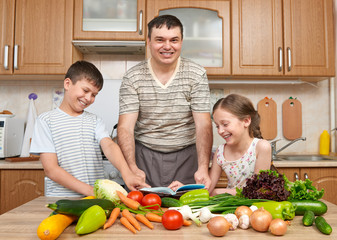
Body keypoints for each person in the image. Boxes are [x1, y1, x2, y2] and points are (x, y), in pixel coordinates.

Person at [117, 15, 213, 189]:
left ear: (181, 42)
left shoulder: (197, 74)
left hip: (187, 158)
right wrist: (132, 168)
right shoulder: (132, 77)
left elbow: (203, 125)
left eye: (174, 40)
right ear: (149, 41)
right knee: (144, 211)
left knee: (186, 213)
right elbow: (125, 127)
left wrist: (202, 168)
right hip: (143, 158)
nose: (167, 46)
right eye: (159, 40)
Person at [30, 60, 149, 197]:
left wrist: (127, 173)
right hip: (61, 199)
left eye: (94, 95)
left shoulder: (94, 120)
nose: (88, 98)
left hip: (94, 200)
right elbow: (51, 169)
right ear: (67, 84)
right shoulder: (45, 121)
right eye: (85, 90)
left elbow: (109, 146)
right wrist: (91, 191)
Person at [208, 94, 272, 195]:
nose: (220, 131)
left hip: (253, 207)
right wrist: (185, 189)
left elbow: (258, 191)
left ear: (246, 121)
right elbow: (207, 189)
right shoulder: (220, 151)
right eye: (217, 126)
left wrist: (220, 192)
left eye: (225, 124)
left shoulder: (261, 147)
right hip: (228, 206)